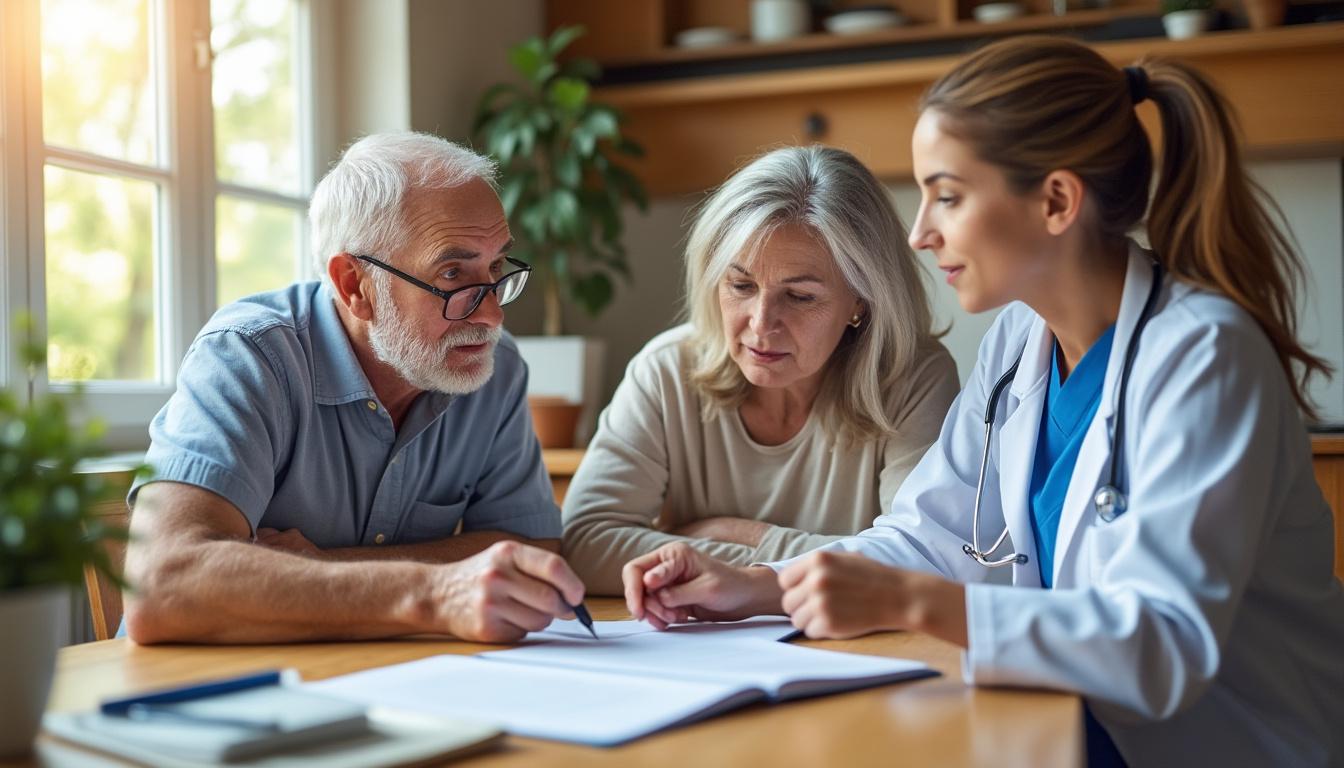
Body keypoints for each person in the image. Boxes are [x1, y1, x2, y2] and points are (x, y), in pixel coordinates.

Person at [620, 38, 1344, 765]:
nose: (919, 231)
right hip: (1066, 729)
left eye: (949, 195)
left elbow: (1162, 647)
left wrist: (911, 603)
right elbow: (930, 536)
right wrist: (759, 585)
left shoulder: (1202, 355)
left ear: (1056, 201)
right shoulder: (1019, 342)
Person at [123, 132, 586, 644]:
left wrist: (327, 566)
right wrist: (433, 592)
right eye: (453, 273)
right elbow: (162, 583)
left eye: (495, 267)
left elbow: (531, 549)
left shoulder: (493, 368)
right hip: (197, 692)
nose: (493, 314)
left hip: (373, 678)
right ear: (354, 285)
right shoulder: (248, 356)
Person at [564, 145, 959, 595]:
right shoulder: (666, 371)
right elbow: (585, 543)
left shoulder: (913, 380)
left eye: (800, 296)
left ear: (861, 302)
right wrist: (826, 557)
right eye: (741, 285)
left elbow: (924, 562)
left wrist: (741, 538)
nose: (760, 323)